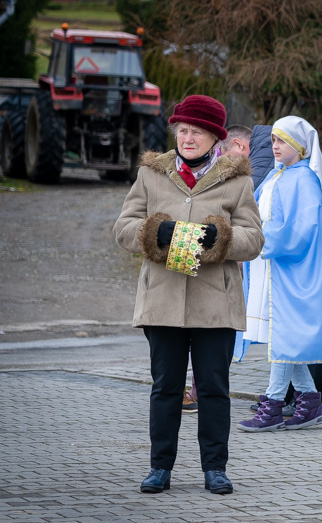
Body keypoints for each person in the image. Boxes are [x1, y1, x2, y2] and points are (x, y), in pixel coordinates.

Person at [113, 94, 264, 494]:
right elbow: (123, 227)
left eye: (197, 131)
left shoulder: (238, 180)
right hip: (162, 299)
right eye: (182, 130)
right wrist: (153, 231)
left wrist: (222, 237)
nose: (188, 137)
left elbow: (254, 239)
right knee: (166, 386)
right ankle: (160, 468)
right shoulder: (151, 175)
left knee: (214, 387)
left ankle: (215, 468)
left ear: (216, 137)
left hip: (216, 301)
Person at [224, 124, 322, 411]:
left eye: (224, 156)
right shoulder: (275, 145)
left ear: (239, 146)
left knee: (316, 315)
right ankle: (301, 395)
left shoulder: (266, 150)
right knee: (297, 314)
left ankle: (310, 398)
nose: (225, 166)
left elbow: (248, 201)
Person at [235, 116, 322, 432]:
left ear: (300, 145)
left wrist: (263, 240)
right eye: (274, 140)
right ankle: (310, 401)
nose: (276, 146)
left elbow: (303, 229)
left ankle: (273, 404)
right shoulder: (277, 176)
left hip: (289, 269)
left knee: (282, 336)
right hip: (270, 266)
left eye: (283, 141)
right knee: (282, 336)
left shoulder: (305, 179)